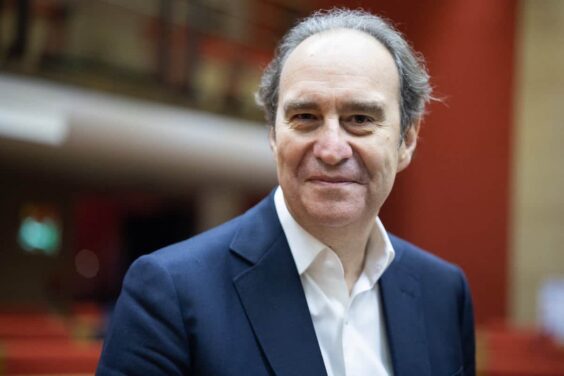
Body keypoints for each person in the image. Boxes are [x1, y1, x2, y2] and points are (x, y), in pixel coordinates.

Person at [97, 8, 475, 376]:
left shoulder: (443, 293)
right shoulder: (169, 292)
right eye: (306, 117)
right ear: (274, 136)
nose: (330, 149)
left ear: (406, 141)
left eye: (360, 119)